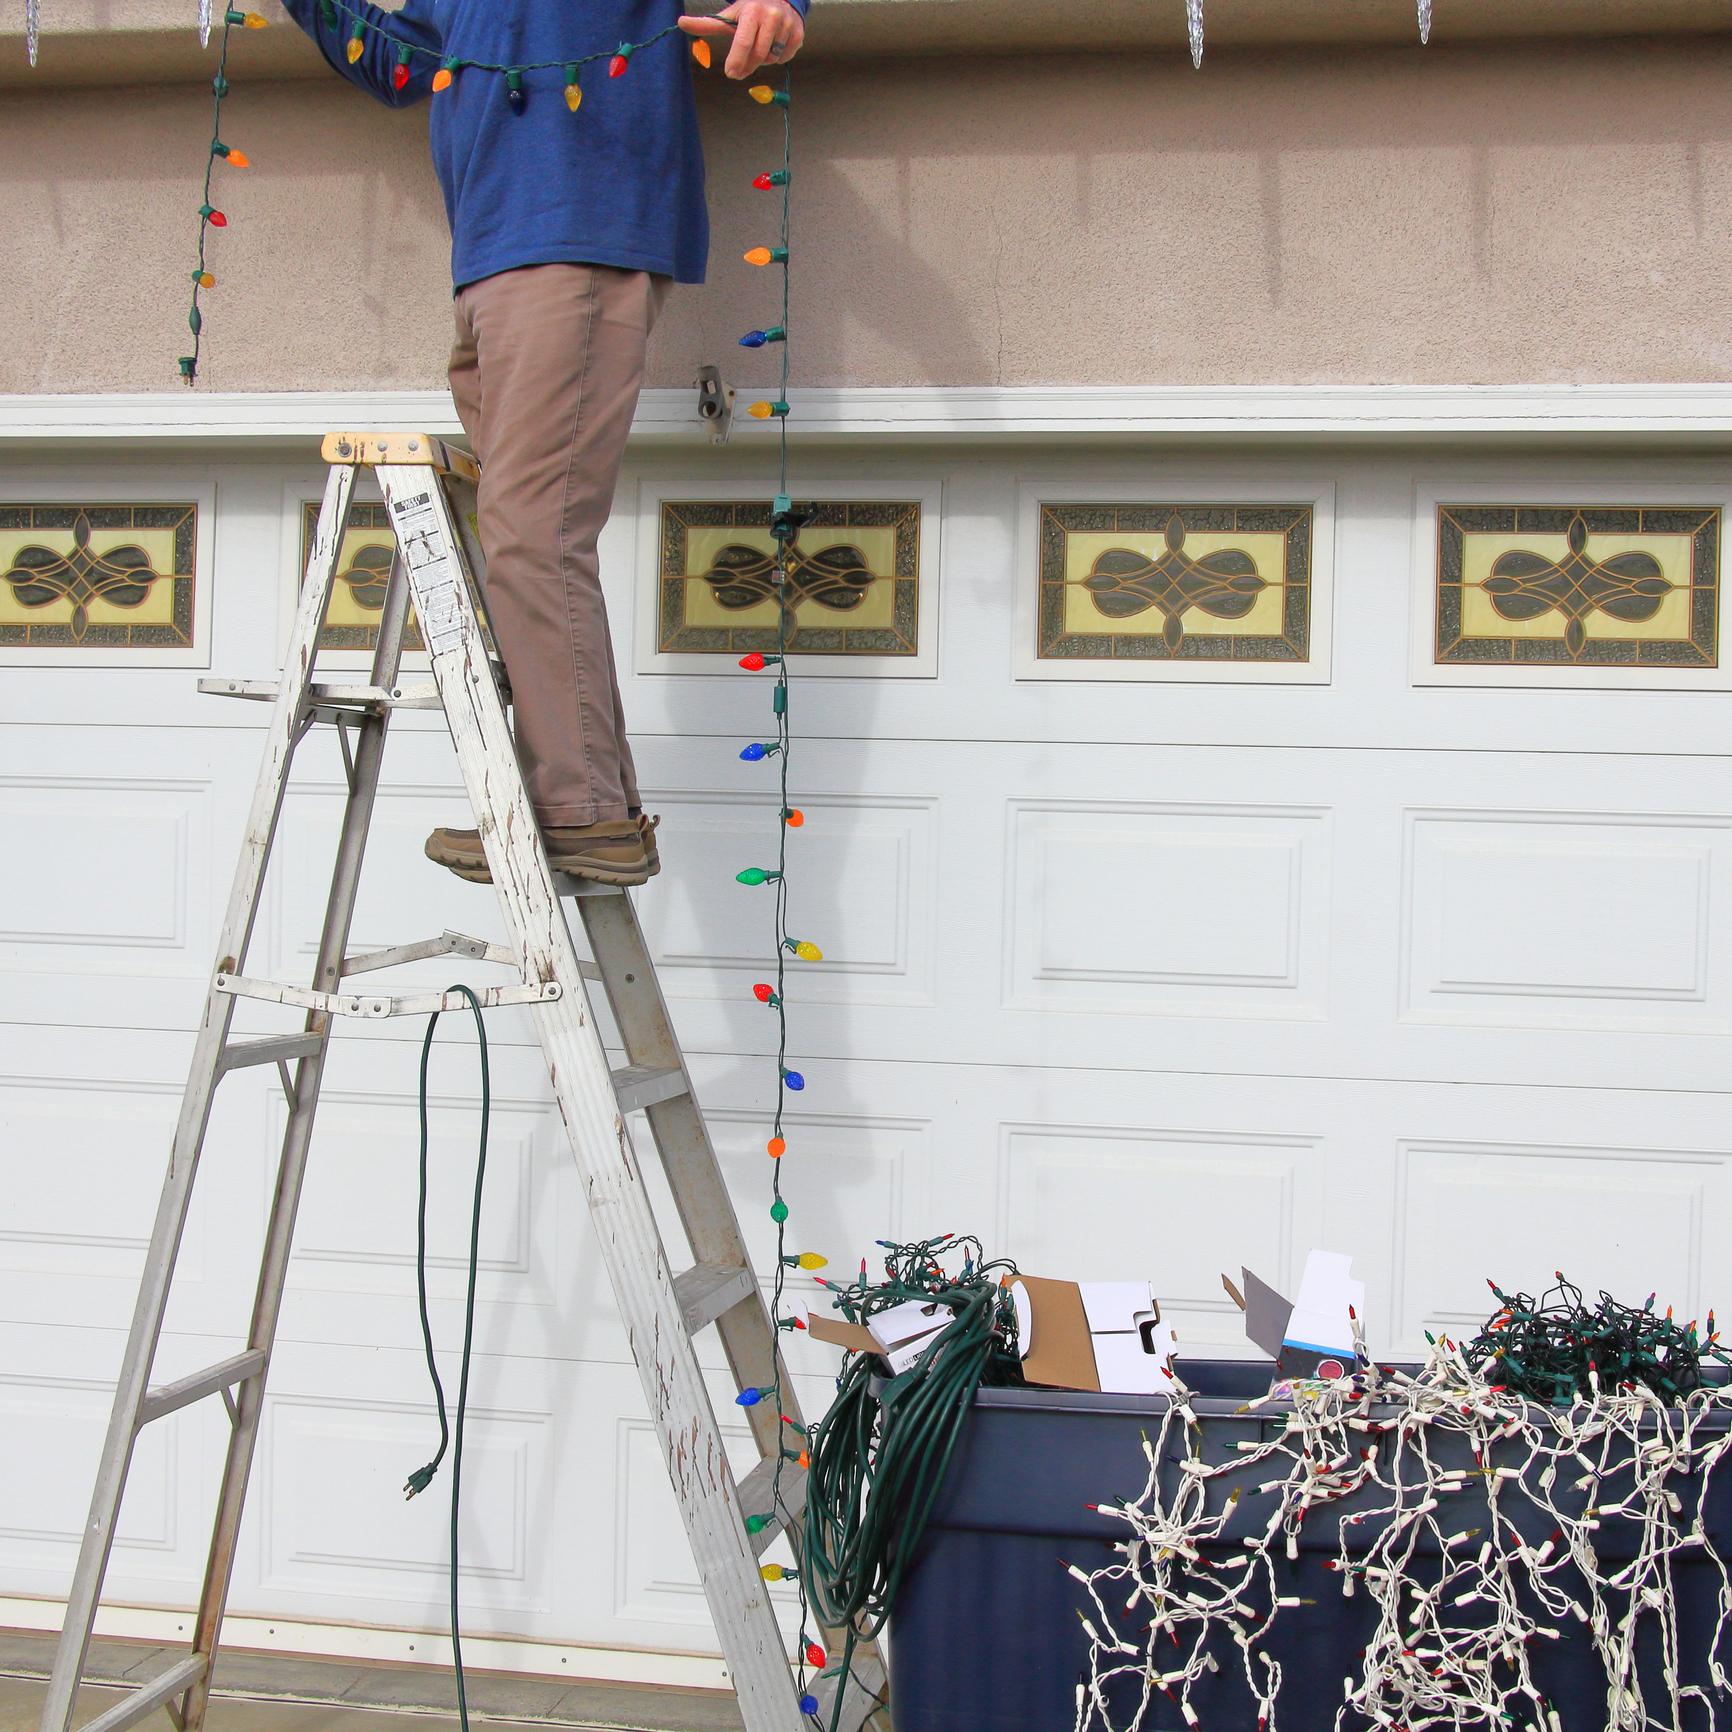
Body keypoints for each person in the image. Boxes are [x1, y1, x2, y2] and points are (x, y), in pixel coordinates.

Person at [281, 0, 806, 885]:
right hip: (489, 258)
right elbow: (403, 67)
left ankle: (579, 813)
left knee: (534, 534)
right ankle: (598, 806)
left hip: (578, 236)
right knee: (527, 538)